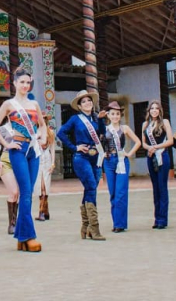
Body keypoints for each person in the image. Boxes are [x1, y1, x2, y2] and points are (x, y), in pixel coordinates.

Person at [0, 68, 48, 252]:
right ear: (14, 83)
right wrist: (6, 144)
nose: (25, 85)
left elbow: (42, 125)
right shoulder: (9, 104)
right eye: (21, 82)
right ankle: (29, 236)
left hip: (33, 150)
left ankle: (21, 238)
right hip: (18, 149)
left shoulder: (35, 104)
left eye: (28, 82)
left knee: (29, 192)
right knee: (24, 192)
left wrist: (43, 138)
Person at [56, 90, 108, 241]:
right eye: (83, 101)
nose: (87, 103)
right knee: (91, 185)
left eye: (89, 100)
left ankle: (86, 227)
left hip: (95, 156)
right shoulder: (75, 119)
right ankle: (94, 229)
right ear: (79, 106)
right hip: (81, 157)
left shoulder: (96, 118)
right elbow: (61, 133)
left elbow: (102, 134)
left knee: (90, 188)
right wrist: (74, 147)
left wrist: (101, 120)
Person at [103, 101, 141, 232]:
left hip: (121, 160)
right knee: (113, 193)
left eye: (117, 114)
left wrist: (129, 153)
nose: (115, 116)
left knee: (121, 193)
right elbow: (97, 143)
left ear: (120, 115)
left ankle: (120, 224)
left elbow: (138, 142)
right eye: (112, 114)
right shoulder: (105, 129)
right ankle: (116, 222)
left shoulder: (125, 128)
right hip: (108, 162)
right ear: (108, 115)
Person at [141, 100, 175, 230]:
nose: (154, 110)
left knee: (162, 187)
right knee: (155, 188)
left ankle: (163, 219)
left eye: (156, 108)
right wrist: (149, 148)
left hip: (162, 156)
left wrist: (155, 147)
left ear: (160, 110)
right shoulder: (145, 125)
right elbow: (143, 142)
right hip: (151, 157)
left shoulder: (164, 122)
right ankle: (157, 218)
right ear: (149, 111)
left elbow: (170, 141)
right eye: (152, 108)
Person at [35, 112, 55, 222]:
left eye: (44, 118)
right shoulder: (34, 132)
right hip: (37, 159)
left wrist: (53, 163)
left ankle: (41, 211)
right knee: (39, 186)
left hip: (46, 159)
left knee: (45, 186)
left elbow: (52, 148)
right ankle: (45, 211)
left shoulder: (50, 132)